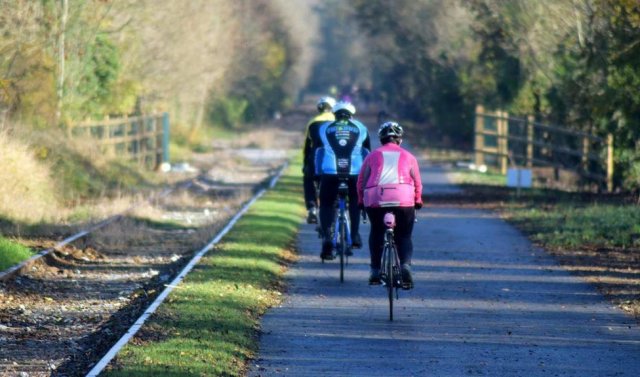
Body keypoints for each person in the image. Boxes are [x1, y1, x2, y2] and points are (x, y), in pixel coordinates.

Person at [356, 121, 423, 288]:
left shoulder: (372, 156)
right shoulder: (409, 156)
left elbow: (361, 181)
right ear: (399, 140)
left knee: (377, 231)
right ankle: (405, 265)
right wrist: (418, 200)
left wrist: (360, 201)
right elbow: (418, 183)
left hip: (376, 197)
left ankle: (375, 270)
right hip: (403, 198)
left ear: (381, 140)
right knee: (404, 236)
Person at [315, 101, 371, 259]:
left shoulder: (324, 128)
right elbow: (367, 152)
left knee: (326, 204)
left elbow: (319, 152)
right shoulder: (361, 127)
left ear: (335, 114)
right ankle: (354, 235)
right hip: (355, 173)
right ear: (351, 114)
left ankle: (327, 237)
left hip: (330, 172)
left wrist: (317, 175)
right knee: (355, 200)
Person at [302, 96, 336, 224]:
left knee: (308, 179)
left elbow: (307, 146)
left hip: (316, 160)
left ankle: (312, 208)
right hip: (334, 161)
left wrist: (305, 163)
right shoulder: (337, 121)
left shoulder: (312, 123)